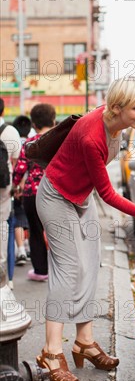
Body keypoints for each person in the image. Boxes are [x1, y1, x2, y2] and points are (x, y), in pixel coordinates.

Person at [35, 78, 135, 381]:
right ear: (117, 108)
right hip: (55, 197)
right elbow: (108, 194)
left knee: (89, 265)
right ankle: (51, 351)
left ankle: (84, 341)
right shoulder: (91, 137)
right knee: (68, 269)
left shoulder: (117, 124)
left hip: (78, 198)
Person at [12, 104, 56, 282]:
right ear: (53, 121)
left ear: (34, 125)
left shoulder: (30, 143)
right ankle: (61, 270)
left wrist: (15, 186)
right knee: (58, 232)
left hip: (33, 193)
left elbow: (20, 168)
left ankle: (41, 270)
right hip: (56, 193)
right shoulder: (60, 141)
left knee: (36, 233)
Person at [0, 98, 21, 289]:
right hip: (3, 187)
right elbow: (15, 161)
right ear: (3, 111)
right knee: (3, 226)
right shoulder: (11, 131)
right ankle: (3, 279)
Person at [12, 114, 32, 266]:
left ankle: (20, 250)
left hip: (18, 186)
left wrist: (16, 185)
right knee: (32, 218)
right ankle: (29, 247)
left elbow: (18, 167)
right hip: (33, 188)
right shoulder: (33, 142)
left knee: (18, 217)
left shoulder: (14, 143)